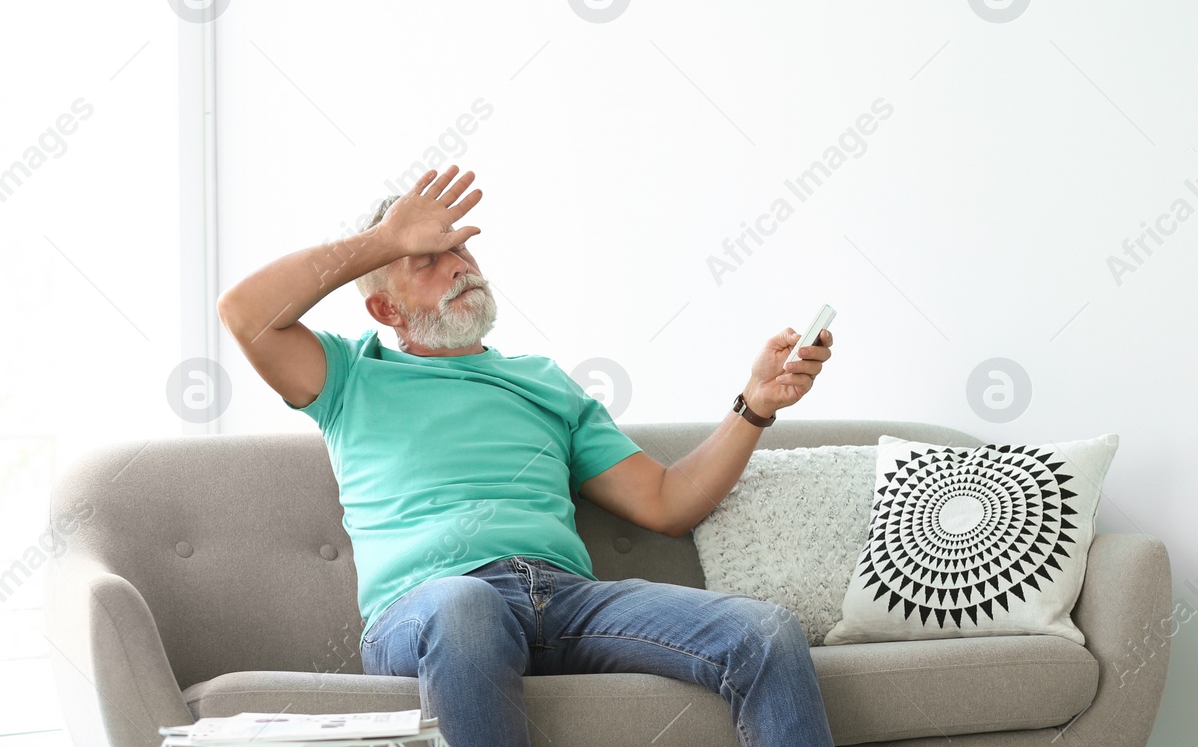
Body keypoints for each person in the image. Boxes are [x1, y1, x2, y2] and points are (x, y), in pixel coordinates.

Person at [217, 164, 836, 747]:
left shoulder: (544, 382)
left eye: (461, 249)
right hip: (429, 609)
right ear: (385, 309)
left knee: (766, 632)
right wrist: (383, 241)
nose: (459, 266)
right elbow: (244, 313)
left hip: (564, 600)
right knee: (469, 605)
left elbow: (667, 501)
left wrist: (754, 405)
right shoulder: (348, 376)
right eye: (428, 261)